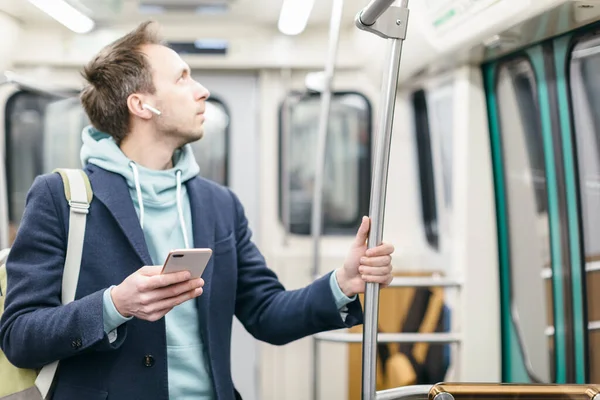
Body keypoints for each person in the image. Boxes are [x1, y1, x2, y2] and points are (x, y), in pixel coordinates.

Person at [0, 20, 395, 400]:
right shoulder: (61, 197)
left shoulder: (219, 204)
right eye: (182, 78)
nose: (202, 90)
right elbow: (20, 336)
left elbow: (267, 313)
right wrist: (114, 305)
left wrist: (342, 283)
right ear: (141, 104)